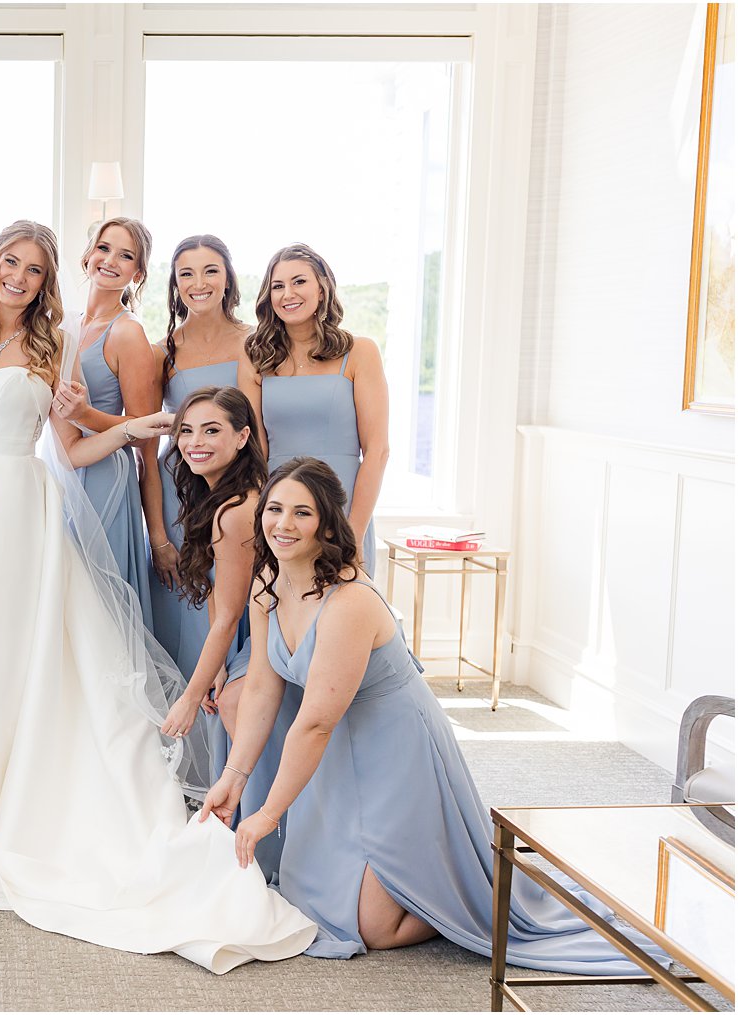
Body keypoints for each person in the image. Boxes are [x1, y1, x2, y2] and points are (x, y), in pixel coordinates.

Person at [0, 221, 318, 974]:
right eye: (10, 262)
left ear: (49, 279)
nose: (18, 276)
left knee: (1, 660)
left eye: (33, 268)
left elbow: (73, 443)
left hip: (15, 511)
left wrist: (133, 428)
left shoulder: (56, 344)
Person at [200, 458, 664, 973]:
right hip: (336, 750)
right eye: (276, 509)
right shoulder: (270, 579)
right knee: (310, 898)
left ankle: (463, 891)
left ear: (328, 523)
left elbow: (314, 723)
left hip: (394, 750)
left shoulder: (349, 601)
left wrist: (268, 815)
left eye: (302, 513)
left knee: (375, 927)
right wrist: (235, 778)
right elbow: (263, 688)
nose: (283, 524)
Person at [158, 386, 283, 880]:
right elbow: (219, 597)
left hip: (277, 631)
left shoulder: (236, 511)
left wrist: (189, 696)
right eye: (186, 431)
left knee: (229, 702)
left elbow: (231, 614)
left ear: (243, 436)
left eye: (212, 430)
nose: (195, 442)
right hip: (254, 627)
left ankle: (260, 844)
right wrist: (214, 672)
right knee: (224, 693)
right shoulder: (219, 497)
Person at [237, 243, 387, 573]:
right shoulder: (254, 356)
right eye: (278, 286)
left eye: (299, 281)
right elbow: (255, 448)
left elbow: (377, 451)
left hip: (342, 503)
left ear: (322, 288)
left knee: (343, 613)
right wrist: (267, 518)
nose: (288, 293)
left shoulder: (359, 352)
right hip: (280, 511)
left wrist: (355, 533)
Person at [149, 235, 252, 684]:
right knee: (190, 612)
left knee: (237, 607)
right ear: (174, 285)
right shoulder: (162, 353)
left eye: (210, 270)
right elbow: (146, 445)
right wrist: (158, 537)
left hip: (240, 492)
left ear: (227, 277)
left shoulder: (256, 342)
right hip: (180, 493)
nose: (199, 282)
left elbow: (260, 431)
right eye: (186, 273)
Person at [50, 218, 161, 632]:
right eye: (104, 248)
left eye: (126, 255)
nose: (111, 261)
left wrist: (85, 416)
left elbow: (145, 427)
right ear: (87, 255)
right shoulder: (65, 324)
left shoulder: (127, 332)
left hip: (105, 479)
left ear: (138, 273)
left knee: (99, 605)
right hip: (63, 470)